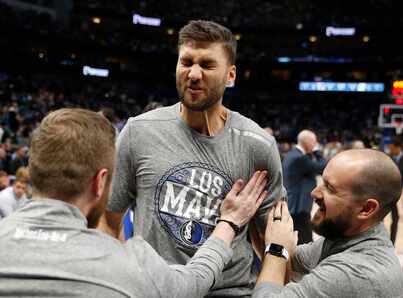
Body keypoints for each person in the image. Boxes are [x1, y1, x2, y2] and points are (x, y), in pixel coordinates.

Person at [101, 20, 285, 297]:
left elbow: (271, 238)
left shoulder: (258, 145)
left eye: (208, 65)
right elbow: (108, 219)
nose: (194, 74)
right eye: (186, 62)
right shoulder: (139, 131)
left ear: (231, 75)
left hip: (229, 291)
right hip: (156, 290)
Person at [0, 108, 268, 297]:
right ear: (100, 182)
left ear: (32, 170)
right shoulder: (131, 265)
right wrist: (228, 223)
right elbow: (194, 282)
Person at [253, 149, 403, 297]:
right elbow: (292, 258)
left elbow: (280, 256)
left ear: (366, 209)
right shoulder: (351, 236)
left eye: (330, 188)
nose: (314, 193)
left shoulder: (357, 272)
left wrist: (276, 250)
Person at [282, 130, 326, 245]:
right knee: (305, 242)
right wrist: (317, 152)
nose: (316, 144)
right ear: (308, 141)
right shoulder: (299, 158)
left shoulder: (292, 154)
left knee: (299, 240)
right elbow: (323, 167)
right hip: (298, 206)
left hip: (294, 204)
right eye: (314, 142)